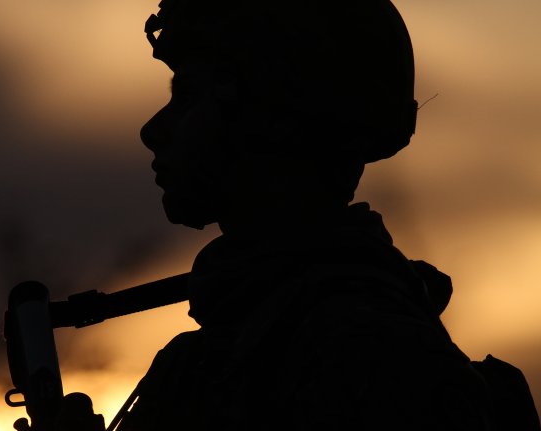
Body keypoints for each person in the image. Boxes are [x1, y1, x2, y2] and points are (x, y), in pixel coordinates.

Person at [111, 0, 496, 430]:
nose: (152, 131)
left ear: (274, 116)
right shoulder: (229, 349)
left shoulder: (371, 357)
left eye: (187, 96)